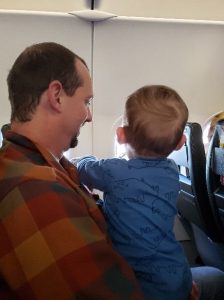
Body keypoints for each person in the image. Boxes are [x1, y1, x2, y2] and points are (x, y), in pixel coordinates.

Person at [0, 42, 144, 299]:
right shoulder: (35, 188)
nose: (89, 116)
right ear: (56, 96)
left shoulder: (42, 164)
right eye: (86, 101)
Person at [75, 85, 224, 300]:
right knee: (217, 277)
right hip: (175, 276)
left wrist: (85, 158)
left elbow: (83, 169)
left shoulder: (114, 171)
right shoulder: (172, 171)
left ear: (120, 135)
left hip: (137, 285)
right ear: (181, 143)